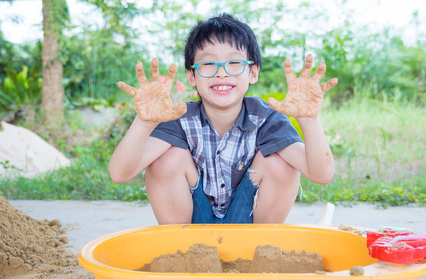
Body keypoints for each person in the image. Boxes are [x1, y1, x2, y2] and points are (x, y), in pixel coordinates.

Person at [108, 13, 338, 225]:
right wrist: (144, 122)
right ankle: (180, 250)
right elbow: (119, 173)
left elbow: (321, 174)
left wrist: (309, 120)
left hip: (248, 225)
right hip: (193, 225)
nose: (221, 72)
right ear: (191, 75)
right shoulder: (178, 118)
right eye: (208, 63)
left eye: (234, 62)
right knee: (166, 159)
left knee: (280, 162)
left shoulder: (267, 118)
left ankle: (259, 248)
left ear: (253, 72)